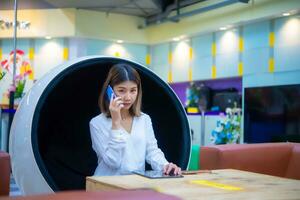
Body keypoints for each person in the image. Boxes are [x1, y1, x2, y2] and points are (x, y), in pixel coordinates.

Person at [89, 63, 181, 176]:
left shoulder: (144, 119)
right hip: (105, 187)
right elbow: (113, 162)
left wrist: (165, 165)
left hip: (135, 185)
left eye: (133, 90)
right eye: (121, 90)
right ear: (110, 91)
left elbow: (152, 151)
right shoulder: (97, 123)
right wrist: (116, 123)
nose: (128, 97)